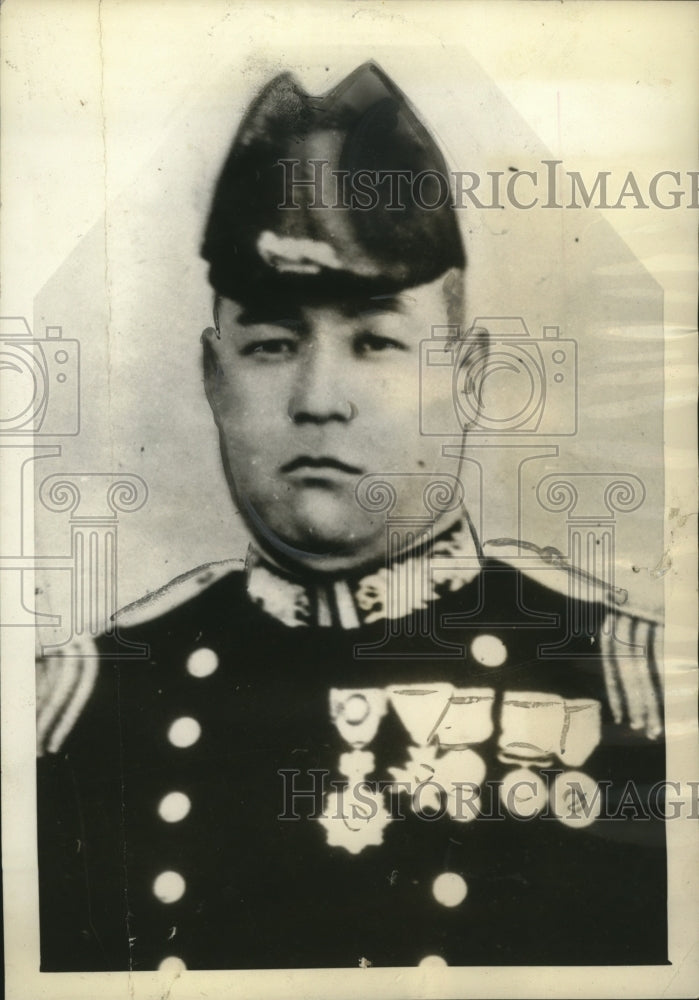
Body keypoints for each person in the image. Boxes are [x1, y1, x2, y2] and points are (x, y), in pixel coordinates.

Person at [36, 61, 666, 971]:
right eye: (270, 344)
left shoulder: (633, 689)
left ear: (468, 377)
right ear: (215, 380)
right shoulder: (79, 709)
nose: (317, 398)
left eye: (374, 341)